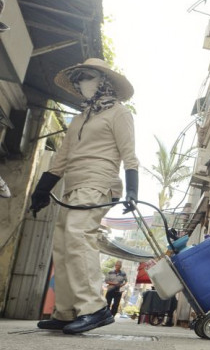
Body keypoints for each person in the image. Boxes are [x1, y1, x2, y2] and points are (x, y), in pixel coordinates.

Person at [31, 58, 139, 334]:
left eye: (87, 76)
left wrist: (133, 191)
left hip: (99, 181)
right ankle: (66, 311)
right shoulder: (80, 118)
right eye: (78, 77)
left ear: (103, 81)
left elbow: (129, 156)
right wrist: (42, 190)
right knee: (63, 242)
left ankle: (94, 308)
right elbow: (61, 159)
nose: (81, 81)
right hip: (73, 185)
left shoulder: (119, 113)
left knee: (79, 235)